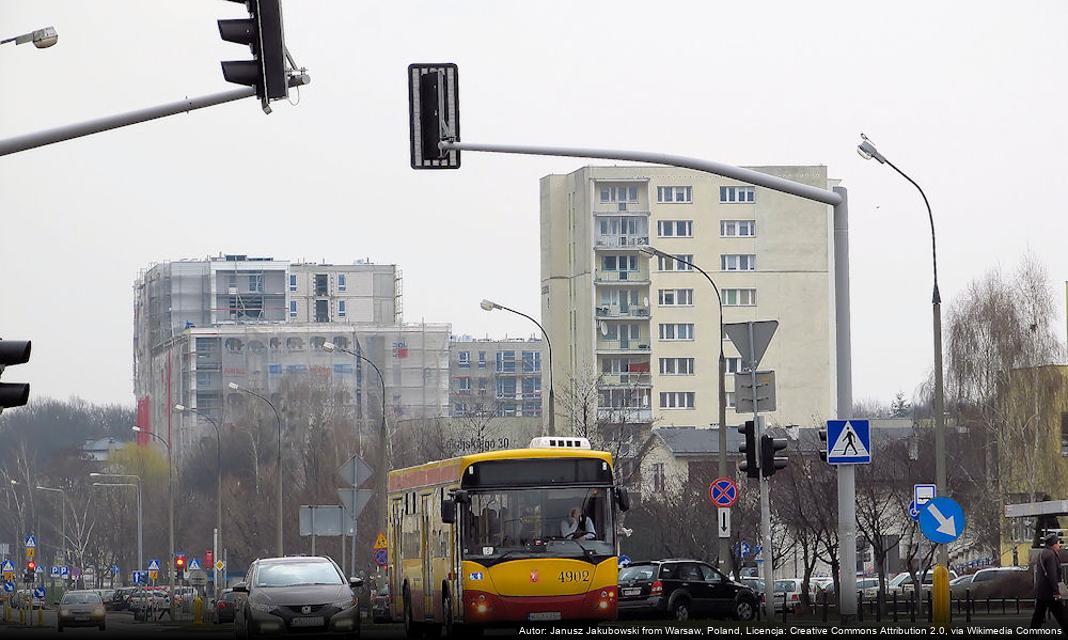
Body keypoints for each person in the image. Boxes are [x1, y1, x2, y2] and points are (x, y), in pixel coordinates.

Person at [1030, 532, 1068, 631]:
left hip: (1042, 592)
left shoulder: (1042, 553)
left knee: (1038, 616)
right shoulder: (1051, 555)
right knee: (1062, 616)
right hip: (1050, 592)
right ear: (1053, 544)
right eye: (1058, 542)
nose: (1059, 545)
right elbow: (1052, 574)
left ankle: (1032, 634)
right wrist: (1056, 591)